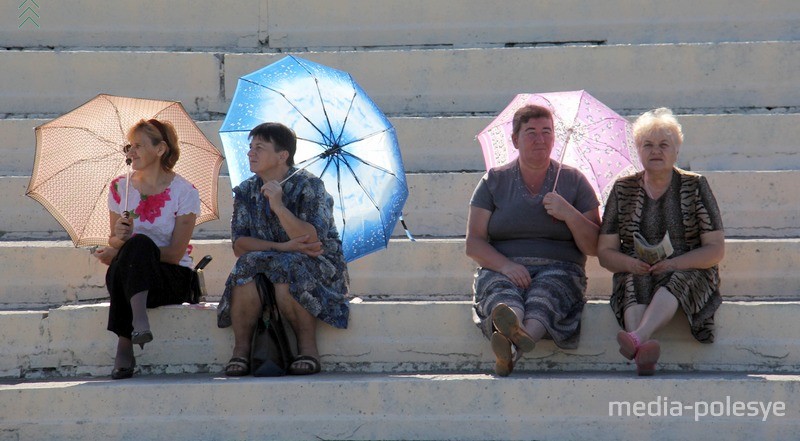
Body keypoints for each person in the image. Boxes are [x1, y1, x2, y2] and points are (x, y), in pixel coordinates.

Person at [466, 104, 601, 376]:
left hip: (560, 267)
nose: (540, 139)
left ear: (554, 138)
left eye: (546, 132)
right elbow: (474, 243)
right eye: (531, 132)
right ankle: (514, 329)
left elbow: (593, 246)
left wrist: (569, 214)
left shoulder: (575, 181)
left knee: (546, 294)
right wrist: (506, 266)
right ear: (515, 140)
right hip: (504, 264)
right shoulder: (494, 181)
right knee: (503, 294)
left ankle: (511, 346)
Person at [597, 108, 725, 376]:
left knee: (678, 276)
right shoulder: (622, 189)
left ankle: (636, 337)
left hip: (689, 267)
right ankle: (643, 352)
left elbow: (715, 249)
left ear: (676, 150)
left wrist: (673, 263)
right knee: (632, 279)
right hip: (638, 267)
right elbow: (606, 252)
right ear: (638, 151)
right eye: (648, 145)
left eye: (664, 145)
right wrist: (630, 263)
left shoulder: (696, 185)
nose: (656, 151)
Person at [217, 122, 349, 376]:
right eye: (250, 147)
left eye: (259, 147)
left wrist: (278, 206)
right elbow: (240, 245)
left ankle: (308, 348)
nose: (250, 153)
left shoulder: (309, 186)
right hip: (268, 259)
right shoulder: (246, 190)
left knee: (288, 265)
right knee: (247, 265)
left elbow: (311, 240)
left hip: (316, 263)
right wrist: (281, 246)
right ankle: (241, 350)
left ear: (282, 155)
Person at [93, 119, 201, 380]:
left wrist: (122, 251)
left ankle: (125, 341)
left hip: (170, 277)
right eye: (129, 146)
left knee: (138, 246)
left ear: (161, 149)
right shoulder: (121, 187)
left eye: (139, 146)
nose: (131, 152)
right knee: (130, 252)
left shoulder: (185, 191)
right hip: (132, 275)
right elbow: (114, 240)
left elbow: (175, 253)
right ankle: (137, 324)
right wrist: (119, 240)